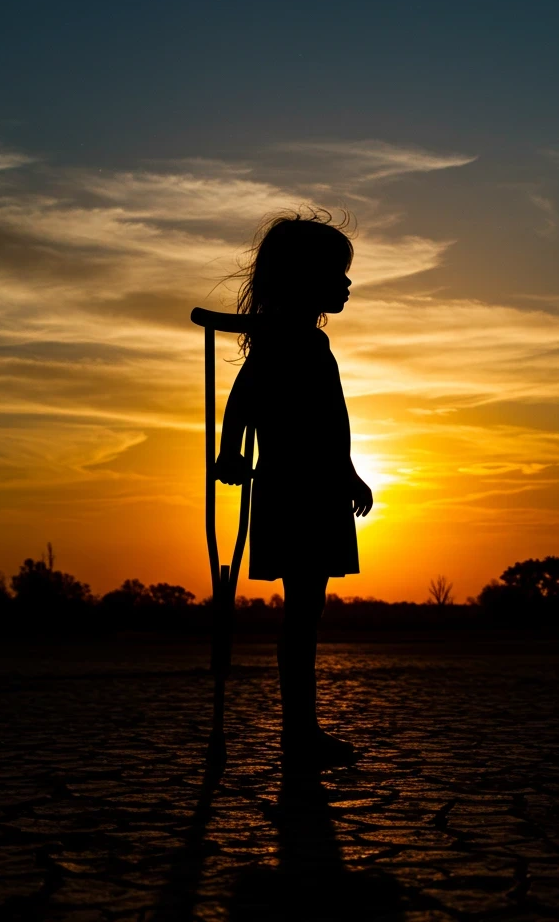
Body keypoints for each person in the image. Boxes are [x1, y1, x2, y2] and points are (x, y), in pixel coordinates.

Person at [214, 207, 373, 768]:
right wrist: (231, 451)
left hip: (320, 487)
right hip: (294, 490)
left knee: (308, 611)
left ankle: (302, 731)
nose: (346, 285)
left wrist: (348, 472)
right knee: (303, 614)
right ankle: (299, 733)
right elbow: (243, 400)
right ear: (305, 279)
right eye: (336, 274)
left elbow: (330, 423)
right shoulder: (282, 342)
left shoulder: (309, 342)